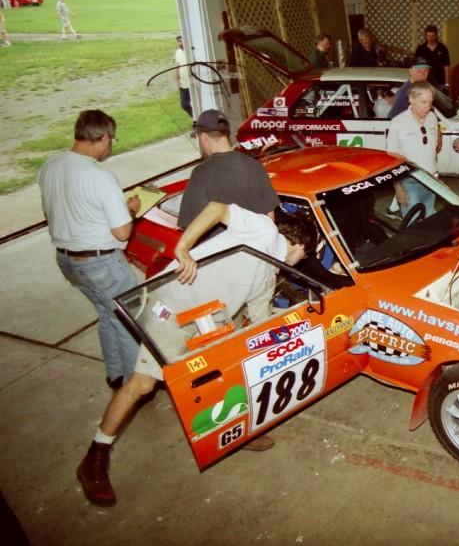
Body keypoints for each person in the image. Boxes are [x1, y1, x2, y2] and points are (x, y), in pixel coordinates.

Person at [75, 200, 317, 507]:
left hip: (209, 318)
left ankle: (232, 430)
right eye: (304, 256)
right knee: (144, 384)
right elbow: (217, 208)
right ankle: (95, 456)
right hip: (172, 307)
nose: (298, 263)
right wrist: (183, 249)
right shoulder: (262, 229)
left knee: (224, 369)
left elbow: (260, 322)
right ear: (299, 245)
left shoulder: (268, 273)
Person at [38, 110, 141, 389]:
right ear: (104, 137)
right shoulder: (100, 176)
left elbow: (58, 210)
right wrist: (129, 211)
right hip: (101, 263)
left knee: (107, 315)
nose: (110, 146)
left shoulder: (50, 166)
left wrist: (119, 208)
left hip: (68, 261)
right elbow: (122, 232)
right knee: (129, 321)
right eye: (112, 140)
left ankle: (115, 373)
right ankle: (135, 386)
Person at [178, 109, 279, 232]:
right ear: (227, 133)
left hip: (226, 250)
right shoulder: (254, 165)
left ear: (203, 137)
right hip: (257, 248)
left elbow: (189, 224)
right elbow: (270, 217)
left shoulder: (201, 173)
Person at [387, 81, 441, 217]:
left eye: (430, 102)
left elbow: (433, 150)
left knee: (428, 221)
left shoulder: (432, 118)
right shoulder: (398, 123)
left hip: (432, 181)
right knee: (413, 225)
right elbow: (391, 158)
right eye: (423, 102)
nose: (428, 107)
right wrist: (398, 187)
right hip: (410, 182)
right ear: (411, 99)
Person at [415, 25, 450, 92]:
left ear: (436, 36)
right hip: (425, 83)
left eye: (432, 36)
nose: (430, 38)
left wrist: (447, 85)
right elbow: (417, 67)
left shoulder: (443, 48)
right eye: (428, 36)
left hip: (440, 83)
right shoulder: (420, 49)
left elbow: (446, 67)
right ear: (425, 36)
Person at [175, 35, 192, 117]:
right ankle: (194, 117)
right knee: (184, 104)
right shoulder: (178, 52)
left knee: (194, 102)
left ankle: (197, 119)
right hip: (183, 83)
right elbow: (178, 65)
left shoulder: (190, 51)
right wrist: (177, 79)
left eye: (182, 40)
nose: (181, 43)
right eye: (179, 41)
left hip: (191, 81)